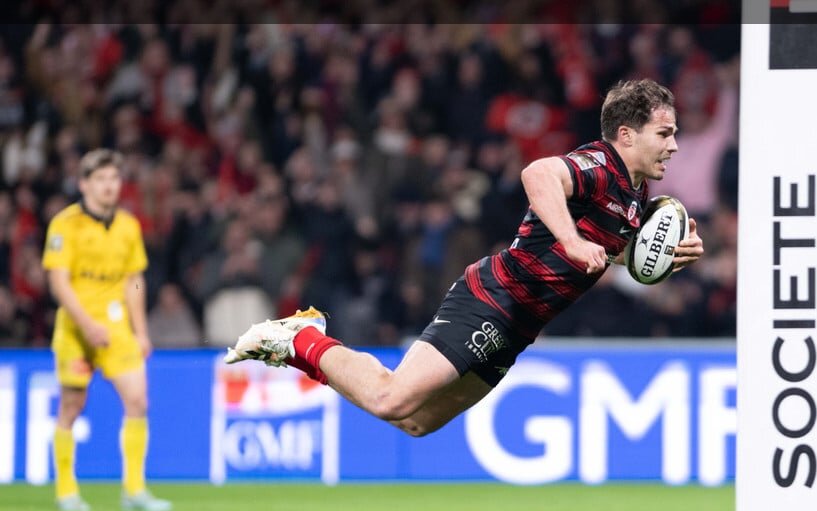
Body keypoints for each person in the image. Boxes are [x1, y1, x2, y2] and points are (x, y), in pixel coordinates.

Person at [226, 79, 704, 436]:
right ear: (627, 134)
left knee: (415, 423)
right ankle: (301, 338)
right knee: (391, 399)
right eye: (664, 133)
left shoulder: (635, 193)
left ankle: (304, 348)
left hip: (520, 326)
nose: (674, 145)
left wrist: (661, 255)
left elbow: (605, 247)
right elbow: (538, 175)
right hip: (494, 300)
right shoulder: (598, 165)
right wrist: (572, 241)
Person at [42, 149, 171, 511]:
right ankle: (66, 490)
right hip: (76, 330)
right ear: (84, 184)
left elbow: (134, 281)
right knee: (72, 406)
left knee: (138, 401)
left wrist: (141, 331)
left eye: (113, 178)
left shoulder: (128, 226)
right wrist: (87, 325)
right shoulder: (65, 225)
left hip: (115, 330)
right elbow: (58, 283)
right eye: (100, 179)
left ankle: (134, 490)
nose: (108, 186)